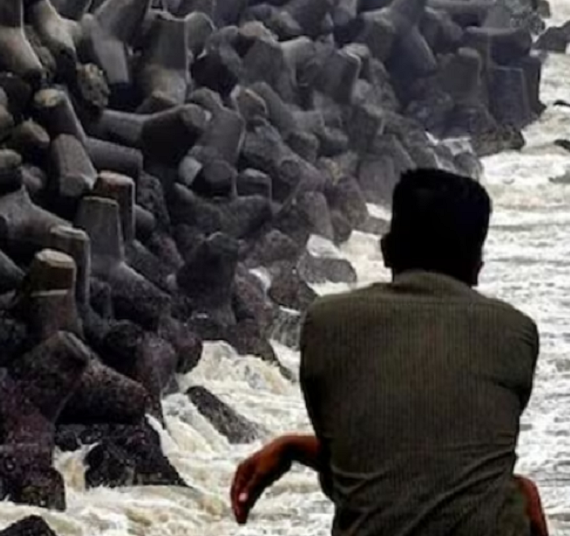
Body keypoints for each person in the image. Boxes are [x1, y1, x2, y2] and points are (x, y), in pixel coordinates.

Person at [229, 168, 549, 536]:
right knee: (519, 493)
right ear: (477, 265)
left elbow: (360, 462)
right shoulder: (514, 332)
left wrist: (292, 447)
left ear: (386, 249)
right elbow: (440, 462)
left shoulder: (328, 322)